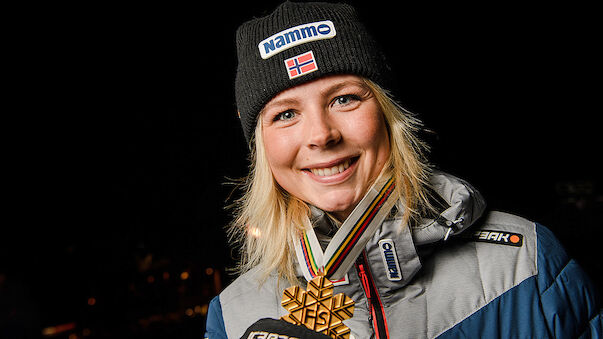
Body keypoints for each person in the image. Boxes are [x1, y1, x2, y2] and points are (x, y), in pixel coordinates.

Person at [205, 2, 602, 338]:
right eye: (286, 114)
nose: (321, 135)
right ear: (261, 146)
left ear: (388, 113)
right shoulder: (233, 317)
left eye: (344, 99)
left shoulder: (527, 263)